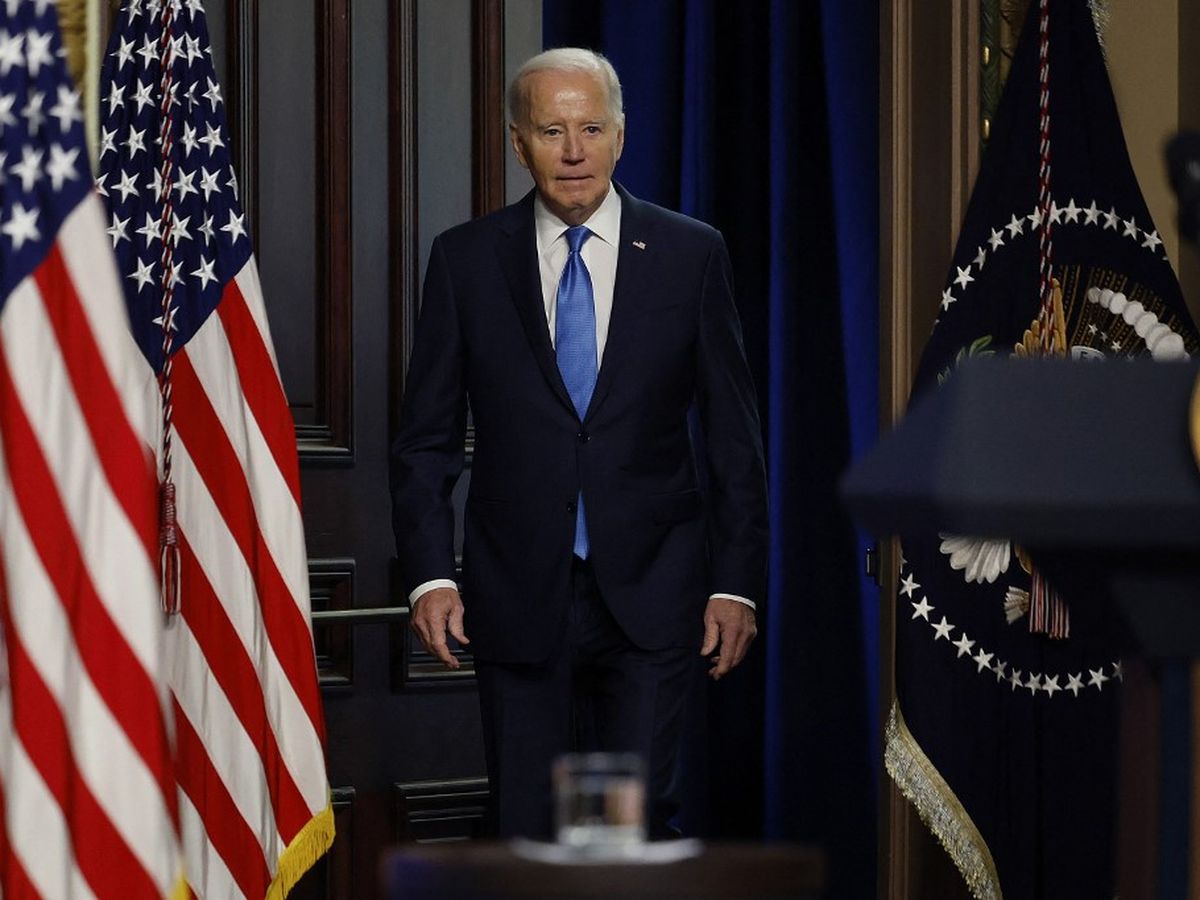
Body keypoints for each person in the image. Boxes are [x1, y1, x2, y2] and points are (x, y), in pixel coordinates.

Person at [390, 47, 768, 840]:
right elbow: (424, 440)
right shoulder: (463, 261)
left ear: (620, 137)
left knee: (637, 828)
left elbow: (735, 437)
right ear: (517, 140)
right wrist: (429, 575)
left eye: (591, 128)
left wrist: (736, 583)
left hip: (656, 597)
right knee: (526, 831)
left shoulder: (691, 253)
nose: (573, 152)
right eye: (552, 130)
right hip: (518, 592)